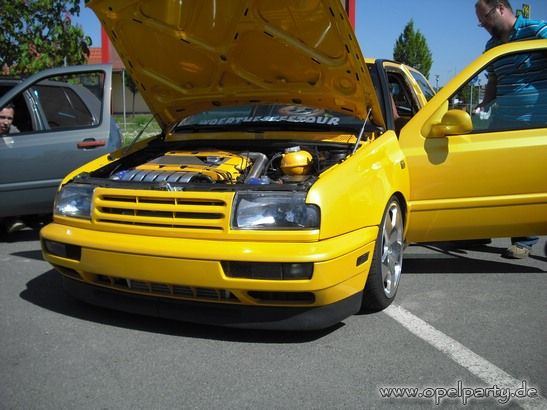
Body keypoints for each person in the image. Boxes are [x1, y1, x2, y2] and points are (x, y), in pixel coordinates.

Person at [475, 0, 547, 258]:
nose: (483, 24)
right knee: (494, 178)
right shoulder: (492, 46)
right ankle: (480, 227)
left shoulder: (537, 30)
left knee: (527, 182)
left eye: (485, 17)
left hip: (535, 124)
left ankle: (524, 240)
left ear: (501, 8)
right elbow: (493, 80)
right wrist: (484, 105)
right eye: (480, 22)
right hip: (502, 122)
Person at [0, 103, 25, 234]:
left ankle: (11, 219)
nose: (6, 122)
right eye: (2, 117)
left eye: (9, 118)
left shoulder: (14, 132)